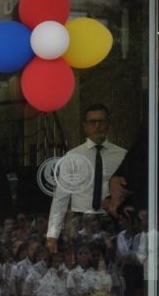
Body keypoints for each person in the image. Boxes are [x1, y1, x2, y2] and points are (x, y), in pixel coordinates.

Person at [45, 104, 126, 253]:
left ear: (109, 124)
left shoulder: (122, 156)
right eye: (92, 122)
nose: (97, 126)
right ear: (85, 126)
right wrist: (52, 234)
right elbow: (61, 198)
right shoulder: (72, 157)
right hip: (80, 220)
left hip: (111, 218)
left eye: (101, 121)